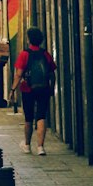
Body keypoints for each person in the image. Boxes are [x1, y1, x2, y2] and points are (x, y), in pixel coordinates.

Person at [12, 26, 57, 155]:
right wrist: (51, 88)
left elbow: (19, 74)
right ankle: (40, 147)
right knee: (41, 116)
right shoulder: (45, 54)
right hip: (43, 88)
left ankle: (27, 145)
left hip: (28, 89)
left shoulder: (24, 54)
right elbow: (52, 73)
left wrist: (12, 89)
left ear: (29, 39)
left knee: (28, 118)